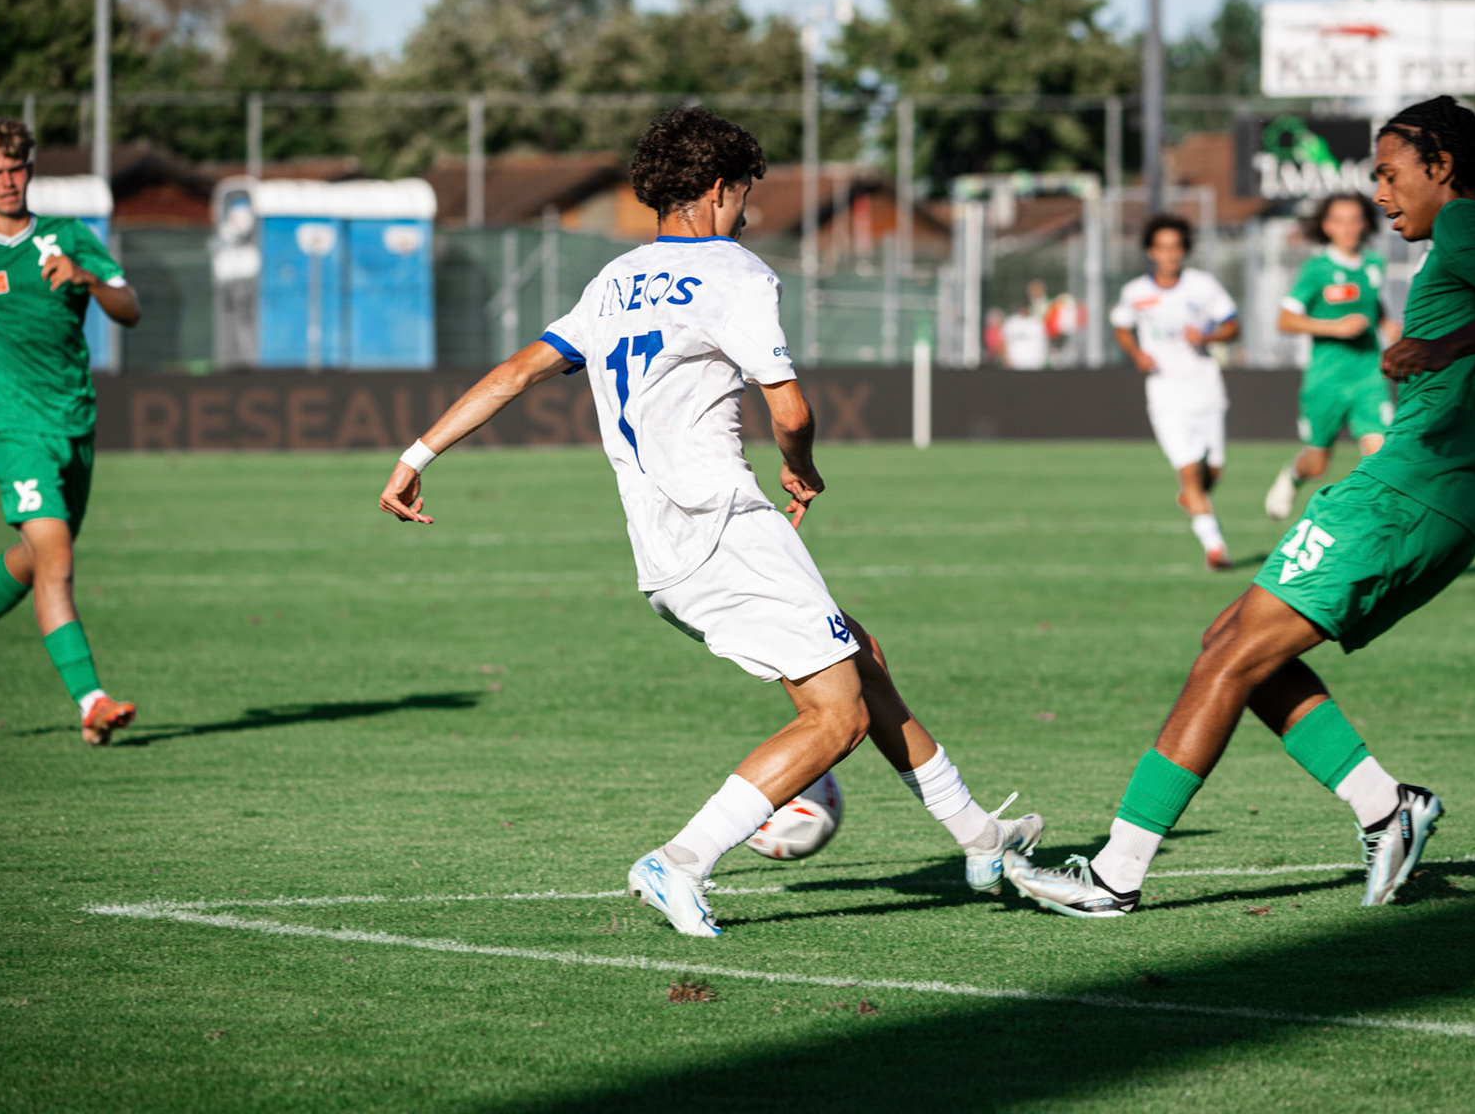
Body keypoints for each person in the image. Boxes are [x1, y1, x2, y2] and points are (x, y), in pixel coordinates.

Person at [376, 107, 1041, 937]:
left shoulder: (614, 280)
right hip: (723, 524)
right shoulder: (737, 273)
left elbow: (517, 374)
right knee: (837, 716)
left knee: (860, 656)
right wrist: (800, 466)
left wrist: (417, 455)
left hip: (663, 546)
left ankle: (979, 838)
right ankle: (680, 860)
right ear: (720, 189)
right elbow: (788, 407)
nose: (748, 212)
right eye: (744, 194)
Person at [1003, 96, 1475, 917]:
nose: (1381, 193)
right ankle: (1385, 808)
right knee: (1230, 644)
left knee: (1225, 661)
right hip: (1435, 505)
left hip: (1402, 499)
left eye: (1391, 174)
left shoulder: (1471, 229)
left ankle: (1116, 874)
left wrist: (1443, 344)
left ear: (1441, 167)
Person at [0, 116, 142, 744]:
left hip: (75, 421)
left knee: (38, 556)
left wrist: (86, 279)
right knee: (56, 559)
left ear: (30, 169)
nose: (7, 180)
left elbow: (129, 307)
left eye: (17, 167)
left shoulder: (67, 237)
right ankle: (92, 701)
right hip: (12, 424)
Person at [1111, 214, 1241, 569]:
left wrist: (1209, 336)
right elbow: (1121, 327)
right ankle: (1215, 547)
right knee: (1187, 470)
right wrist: (1136, 353)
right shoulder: (1136, 292)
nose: (1170, 254)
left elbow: (1233, 325)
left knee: (1212, 471)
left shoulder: (1203, 286)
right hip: (1165, 390)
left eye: (1177, 247)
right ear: (1152, 252)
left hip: (1205, 384)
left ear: (1184, 250)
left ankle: (1194, 498)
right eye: (1163, 247)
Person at [1264, 193, 1400, 520]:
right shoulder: (1315, 270)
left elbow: (1371, 303)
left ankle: (1368, 525)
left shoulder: (1374, 265)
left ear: (1365, 223)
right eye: (1339, 220)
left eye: (1355, 219)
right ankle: (1293, 475)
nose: (1348, 228)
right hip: (1325, 379)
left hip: (1368, 374)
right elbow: (1285, 320)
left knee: (1380, 455)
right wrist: (1333, 327)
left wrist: (1385, 324)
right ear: (1326, 226)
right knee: (1318, 464)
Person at [1001, 299, 1050, 370]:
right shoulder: (1011, 323)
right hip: (1015, 365)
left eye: (1026, 307)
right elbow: (1003, 342)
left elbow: (1044, 343)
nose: (1024, 309)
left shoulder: (1037, 323)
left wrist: (1041, 361)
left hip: (1034, 364)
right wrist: (1007, 361)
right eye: (1023, 307)